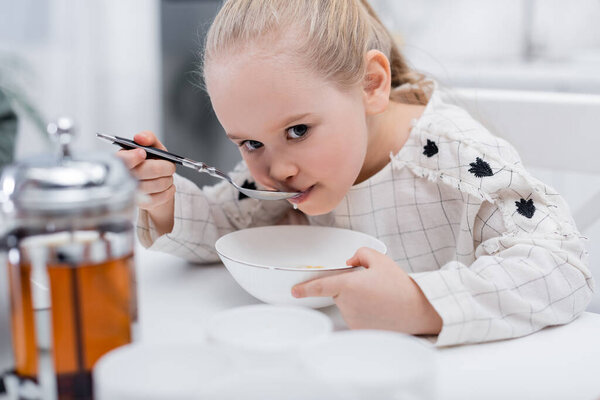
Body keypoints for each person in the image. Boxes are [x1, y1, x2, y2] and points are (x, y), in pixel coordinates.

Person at [118, 0, 594, 346]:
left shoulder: (458, 163)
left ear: (371, 85)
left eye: (299, 130)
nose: (274, 170)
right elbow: (231, 227)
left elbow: (562, 268)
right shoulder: (285, 168)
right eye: (250, 143)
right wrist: (165, 202)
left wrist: (418, 302)